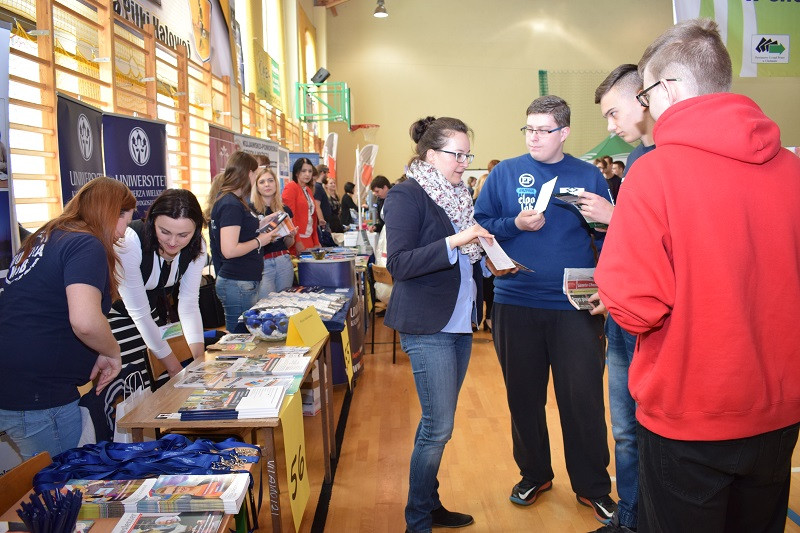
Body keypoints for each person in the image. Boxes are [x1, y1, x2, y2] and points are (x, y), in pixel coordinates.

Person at [595, 19, 800, 533]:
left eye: (644, 93)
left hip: (689, 414)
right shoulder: (792, 171)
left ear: (668, 87)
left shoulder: (655, 174)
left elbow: (636, 305)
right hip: (778, 410)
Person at [474, 95, 615, 524]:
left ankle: (593, 485)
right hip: (516, 303)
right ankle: (534, 473)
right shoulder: (504, 174)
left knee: (583, 400)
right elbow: (481, 226)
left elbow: (610, 235)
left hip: (575, 305)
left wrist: (610, 286)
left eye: (543, 130)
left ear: (564, 132)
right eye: (529, 129)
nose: (534, 137)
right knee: (524, 398)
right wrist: (514, 224)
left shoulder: (588, 175)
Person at [384, 116, 492, 533]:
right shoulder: (406, 195)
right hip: (427, 325)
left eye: (468, 154)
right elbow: (399, 263)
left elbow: (465, 261)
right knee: (438, 426)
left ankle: (429, 504)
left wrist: (489, 258)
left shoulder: (457, 194)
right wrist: (456, 241)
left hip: (458, 321)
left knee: (438, 424)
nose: (465, 162)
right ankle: (417, 520)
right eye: (458, 154)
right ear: (431, 155)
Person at [0, 177, 135, 459]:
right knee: (66, 488)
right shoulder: (87, 244)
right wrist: (112, 351)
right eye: (125, 219)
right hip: (40, 396)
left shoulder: (44, 237)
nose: (123, 233)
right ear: (110, 213)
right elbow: (84, 320)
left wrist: (96, 350)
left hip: (18, 384)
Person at [580, 63, 657, 533]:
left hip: (649, 320)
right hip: (620, 316)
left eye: (613, 113)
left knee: (648, 432)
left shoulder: (661, 160)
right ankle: (629, 516)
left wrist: (614, 215)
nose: (611, 126)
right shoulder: (637, 161)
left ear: (643, 98)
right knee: (625, 431)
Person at [110, 189, 208, 391]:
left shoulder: (197, 247)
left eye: (183, 235)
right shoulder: (130, 242)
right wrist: (175, 369)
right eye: (165, 232)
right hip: (116, 317)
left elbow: (189, 303)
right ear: (152, 221)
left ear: (196, 230)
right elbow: (139, 314)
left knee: (161, 381)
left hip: (150, 314)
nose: (173, 242)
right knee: (133, 387)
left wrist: (200, 362)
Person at [207, 151, 277, 332]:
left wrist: (263, 224)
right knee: (240, 337)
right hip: (237, 282)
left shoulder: (234, 200)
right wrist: (261, 240)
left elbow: (239, 231)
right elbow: (229, 249)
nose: (255, 179)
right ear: (248, 173)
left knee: (245, 335)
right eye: (255, 174)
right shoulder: (230, 203)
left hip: (242, 280)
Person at [250, 166, 296, 298]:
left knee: (286, 304)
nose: (267, 185)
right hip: (263, 263)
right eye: (262, 182)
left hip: (283, 261)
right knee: (266, 306)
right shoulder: (251, 210)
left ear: (276, 183)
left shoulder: (285, 209)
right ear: (257, 186)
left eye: (270, 180)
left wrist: (290, 235)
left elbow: (288, 244)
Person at [282, 157, 320, 253]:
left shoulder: (308, 190)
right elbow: (289, 218)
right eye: (303, 171)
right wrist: (297, 241)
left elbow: (313, 218)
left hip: (310, 238)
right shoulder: (291, 187)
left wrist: (316, 241)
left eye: (310, 171)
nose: (307, 174)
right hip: (297, 239)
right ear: (296, 172)